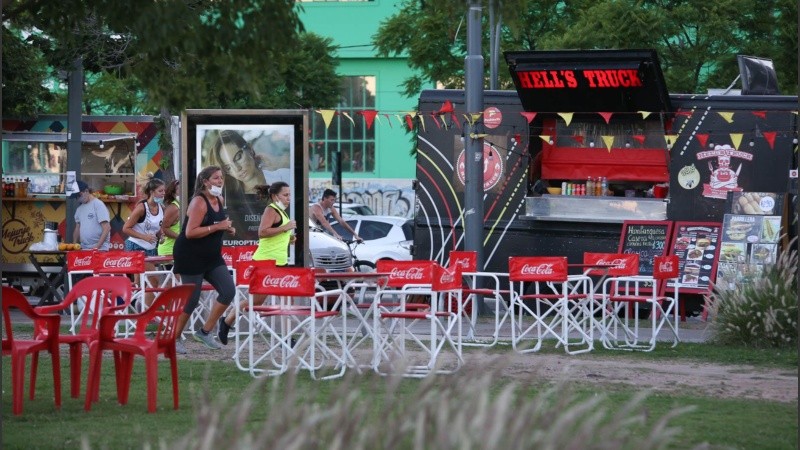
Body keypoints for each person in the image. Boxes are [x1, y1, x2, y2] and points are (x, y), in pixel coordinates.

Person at [217, 182, 297, 345]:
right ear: (275, 196)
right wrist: (285, 228)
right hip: (265, 262)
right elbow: (262, 232)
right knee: (257, 302)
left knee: (288, 300)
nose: (288, 198)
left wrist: (289, 238)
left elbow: (275, 234)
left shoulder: (282, 211)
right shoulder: (271, 210)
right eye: (285, 195)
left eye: (289, 195)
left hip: (280, 262)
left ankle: (287, 338)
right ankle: (226, 321)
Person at [172, 166, 237, 352]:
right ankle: (174, 338)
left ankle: (205, 332)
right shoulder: (198, 202)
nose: (220, 181)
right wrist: (218, 227)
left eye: (221, 177)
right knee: (191, 300)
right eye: (216, 178)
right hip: (190, 255)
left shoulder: (219, 199)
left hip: (212, 256)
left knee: (228, 291)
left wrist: (227, 228)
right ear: (205, 181)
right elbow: (190, 232)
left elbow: (216, 224)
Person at [123, 176, 165, 257]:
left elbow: (157, 226)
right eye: (160, 191)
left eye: (164, 190)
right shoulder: (141, 208)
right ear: (152, 192)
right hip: (135, 246)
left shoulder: (162, 208)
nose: (163, 193)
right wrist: (143, 237)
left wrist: (161, 235)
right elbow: (126, 228)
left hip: (151, 248)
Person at [72, 180, 111, 251]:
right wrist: (74, 244)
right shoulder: (79, 209)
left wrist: (96, 247)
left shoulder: (98, 205)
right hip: (84, 248)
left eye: (79, 195)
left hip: (100, 249)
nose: (78, 198)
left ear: (86, 191)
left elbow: (107, 228)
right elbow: (77, 227)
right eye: (76, 197)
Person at [157, 179, 180, 257]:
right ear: (173, 193)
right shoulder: (174, 208)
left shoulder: (183, 206)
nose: (182, 191)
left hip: (179, 249)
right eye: (179, 189)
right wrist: (180, 238)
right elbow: (164, 228)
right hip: (169, 250)